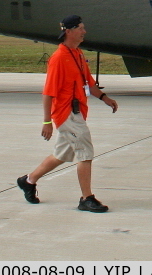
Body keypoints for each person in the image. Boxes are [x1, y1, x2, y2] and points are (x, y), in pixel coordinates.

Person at [16, 15, 118, 212]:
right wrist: (47, 122)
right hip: (67, 115)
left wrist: (105, 98)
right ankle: (86, 198)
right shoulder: (59, 58)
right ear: (69, 32)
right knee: (85, 153)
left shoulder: (78, 54)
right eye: (81, 28)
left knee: (62, 154)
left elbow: (89, 83)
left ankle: (29, 181)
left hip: (78, 112)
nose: (84, 31)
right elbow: (48, 93)